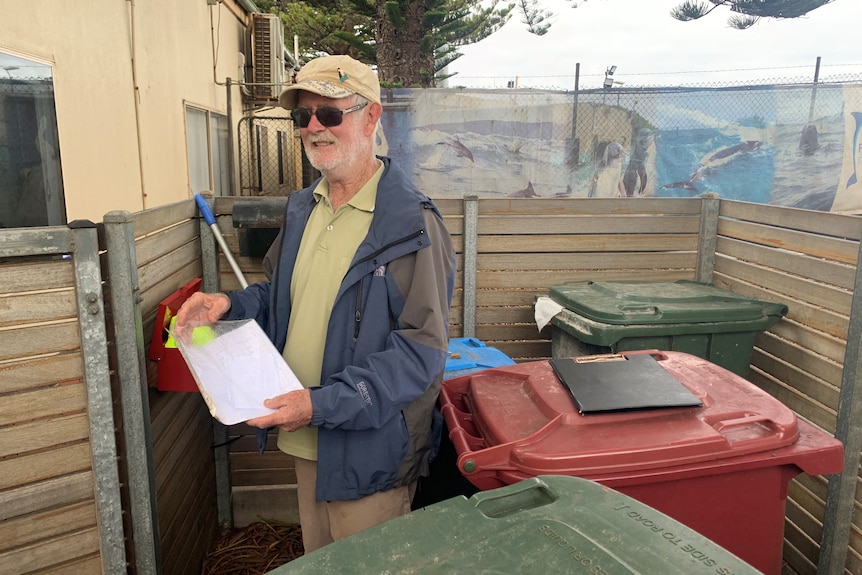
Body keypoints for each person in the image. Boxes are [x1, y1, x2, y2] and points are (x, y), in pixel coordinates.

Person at [175, 54, 456, 553]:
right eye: (303, 116)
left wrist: (320, 403)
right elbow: (282, 296)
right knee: (319, 562)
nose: (314, 129)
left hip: (370, 453)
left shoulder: (412, 224)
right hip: (307, 440)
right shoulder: (303, 207)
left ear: (371, 118)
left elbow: (421, 353)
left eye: (330, 114)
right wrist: (228, 304)